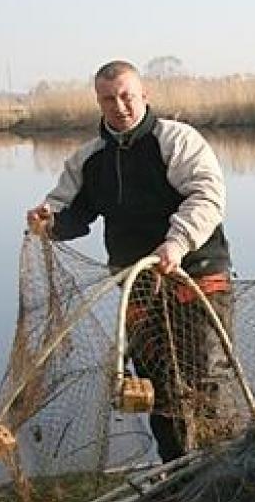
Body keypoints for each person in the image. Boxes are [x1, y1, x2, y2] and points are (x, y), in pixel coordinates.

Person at [26, 60, 235, 463]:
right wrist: (47, 221)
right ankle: (177, 474)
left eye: (127, 96)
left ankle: (221, 473)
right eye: (109, 99)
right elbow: (71, 213)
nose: (119, 106)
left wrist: (175, 244)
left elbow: (207, 197)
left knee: (206, 384)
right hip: (137, 285)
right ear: (98, 102)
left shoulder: (176, 140)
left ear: (144, 96)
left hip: (197, 277)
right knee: (157, 391)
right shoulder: (90, 159)